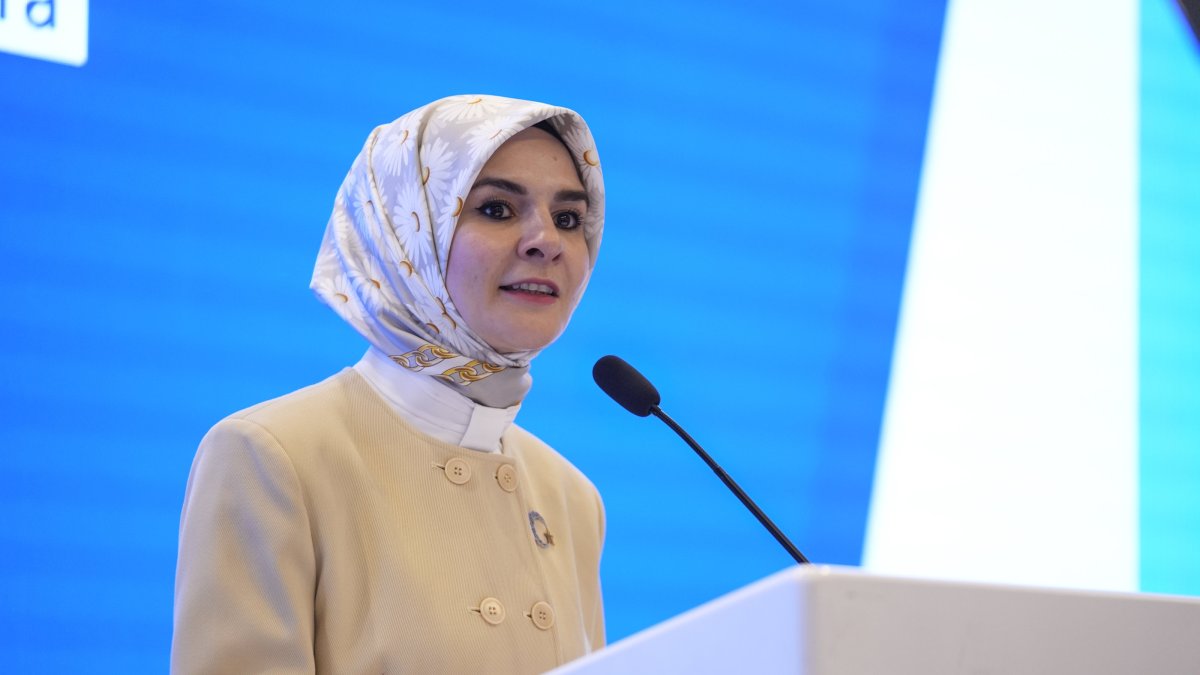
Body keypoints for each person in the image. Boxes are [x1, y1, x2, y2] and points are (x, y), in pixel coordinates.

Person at [171, 94, 607, 674]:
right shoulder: (272, 456)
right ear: (405, 236)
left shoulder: (572, 498)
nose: (546, 241)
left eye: (569, 218)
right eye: (498, 209)